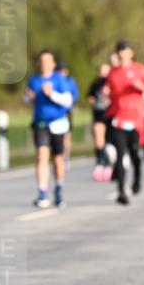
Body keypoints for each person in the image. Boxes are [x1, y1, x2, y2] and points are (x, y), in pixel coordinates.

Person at [26, 50, 77, 208]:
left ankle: (59, 189)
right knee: (41, 156)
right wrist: (29, 97)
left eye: (47, 61)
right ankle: (42, 192)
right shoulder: (34, 80)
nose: (44, 64)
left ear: (53, 64)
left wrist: (51, 94)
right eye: (41, 61)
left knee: (57, 158)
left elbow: (68, 101)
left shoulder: (59, 79)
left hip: (58, 123)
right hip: (40, 123)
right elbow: (27, 98)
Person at [105, 40, 144, 205]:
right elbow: (108, 92)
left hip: (136, 119)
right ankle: (121, 190)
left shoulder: (141, 69)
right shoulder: (113, 73)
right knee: (119, 153)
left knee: (134, 153)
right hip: (119, 118)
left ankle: (137, 178)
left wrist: (140, 87)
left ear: (131, 52)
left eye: (125, 50)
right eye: (120, 51)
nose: (122, 53)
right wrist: (105, 93)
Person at [88, 55, 118, 182]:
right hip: (99, 114)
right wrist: (94, 101)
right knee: (99, 139)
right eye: (101, 71)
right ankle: (100, 163)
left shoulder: (113, 81)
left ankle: (111, 164)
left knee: (110, 141)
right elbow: (90, 97)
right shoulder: (96, 83)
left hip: (111, 114)